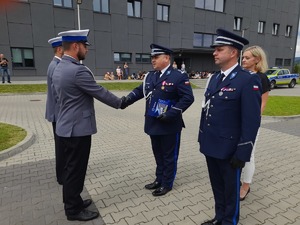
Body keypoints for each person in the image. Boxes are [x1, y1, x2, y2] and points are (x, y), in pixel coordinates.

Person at [52, 29, 125, 221]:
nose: (87, 50)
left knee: (70, 169)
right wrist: (121, 102)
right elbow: (99, 91)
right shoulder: (77, 71)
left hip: (65, 126)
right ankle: (73, 210)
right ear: (76, 46)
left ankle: (73, 201)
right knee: (76, 170)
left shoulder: (59, 67)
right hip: (77, 129)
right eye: (85, 46)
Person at [198, 28, 262, 225]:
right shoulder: (215, 78)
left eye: (219, 49)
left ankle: (229, 221)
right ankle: (219, 218)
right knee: (217, 187)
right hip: (211, 145)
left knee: (230, 190)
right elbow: (206, 109)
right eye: (215, 49)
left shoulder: (248, 79)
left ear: (233, 52)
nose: (214, 53)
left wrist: (243, 152)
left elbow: (252, 120)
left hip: (230, 149)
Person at [121, 43, 194, 196]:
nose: (152, 60)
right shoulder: (151, 76)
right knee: (158, 154)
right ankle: (159, 179)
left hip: (169, 124)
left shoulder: (178, 76)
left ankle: (167, 183)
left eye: (156, 57)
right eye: (152, 57)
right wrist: (127, 100)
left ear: (166, 58)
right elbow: (140, 91)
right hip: (153, 122)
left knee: (169, 156)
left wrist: (172, 113)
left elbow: (188, 98)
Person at [240, 45, 270, 201]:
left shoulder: (262, 78)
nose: (243, 60)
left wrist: (251, 123)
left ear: (257, 59)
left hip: (251, 123)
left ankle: (246, 186)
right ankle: (237, 179)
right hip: (236, 122)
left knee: (248, 154)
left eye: (247, 57)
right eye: (243, 57)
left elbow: (262, 105)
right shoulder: (241, 75)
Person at [45, 36, 65, 185]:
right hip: (59, 113)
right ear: (59, 49)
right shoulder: (57, 66)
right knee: (61, 147)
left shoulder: (54, 64)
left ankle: (62, 174)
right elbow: (58, 94)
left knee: (61, 146)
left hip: (56, 113)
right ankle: (62, 176)